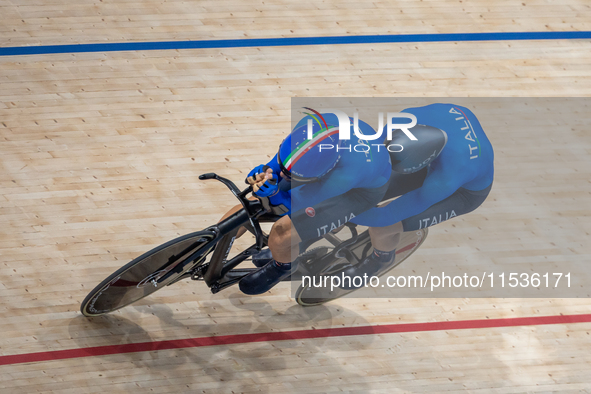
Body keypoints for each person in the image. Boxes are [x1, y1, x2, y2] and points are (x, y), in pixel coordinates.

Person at [226, 103, 494, 295]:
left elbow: (385, 214)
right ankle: (304, 239)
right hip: (426, 156)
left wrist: (338, 213)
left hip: (464, 191)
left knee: (385, 225)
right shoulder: (405, 121)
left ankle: (379, 258)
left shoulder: (446, 179)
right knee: (340, 199)